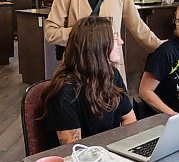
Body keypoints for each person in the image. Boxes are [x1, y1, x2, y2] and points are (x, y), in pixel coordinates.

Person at [42, 17, 137, 147]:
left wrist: (125, 148)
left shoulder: (113, 75)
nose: (121, 41)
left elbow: (129, 118)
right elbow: (74, 150)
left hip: (111, 156)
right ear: (98, 45)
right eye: (115, 37)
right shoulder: (65, 92)